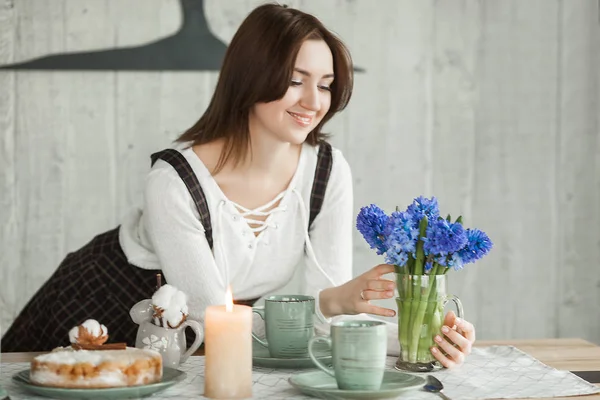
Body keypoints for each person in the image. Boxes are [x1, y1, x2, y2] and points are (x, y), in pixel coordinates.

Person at [1, 3, 474, 368]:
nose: (314, 101)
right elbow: (221, 321)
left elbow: (323, 319)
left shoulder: (327, 171)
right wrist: (331, 305)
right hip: (108, 303)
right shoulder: (174, 180)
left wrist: (423, 342)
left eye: (326, 84)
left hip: (234, 333)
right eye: (294, 80)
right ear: (252, 79)